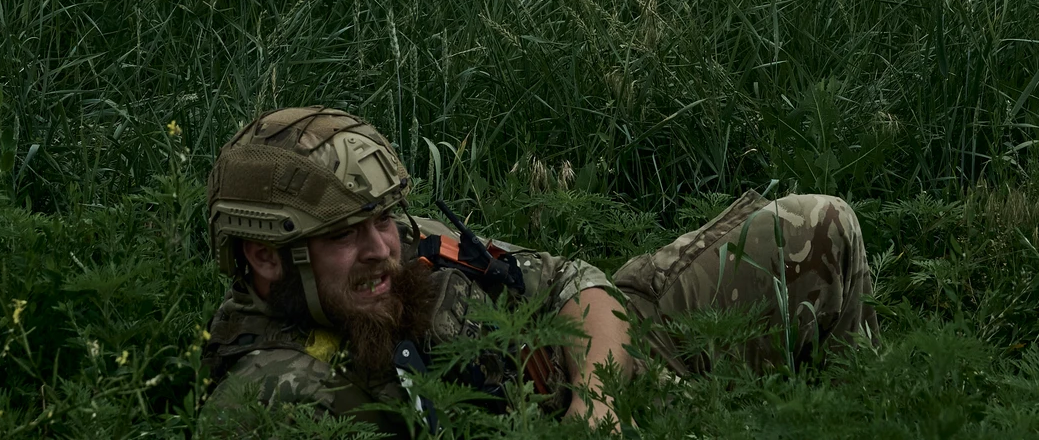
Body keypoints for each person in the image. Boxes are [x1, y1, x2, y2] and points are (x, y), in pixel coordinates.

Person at [198, 107, 874, 434]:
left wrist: (597, 405)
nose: (382, 246)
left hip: (618, 357)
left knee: (819, 223)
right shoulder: (275, 395)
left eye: (382, 219)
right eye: (345, 235)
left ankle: (867, 403)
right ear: (265, 255)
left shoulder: (401, 246)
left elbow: (575, 278)